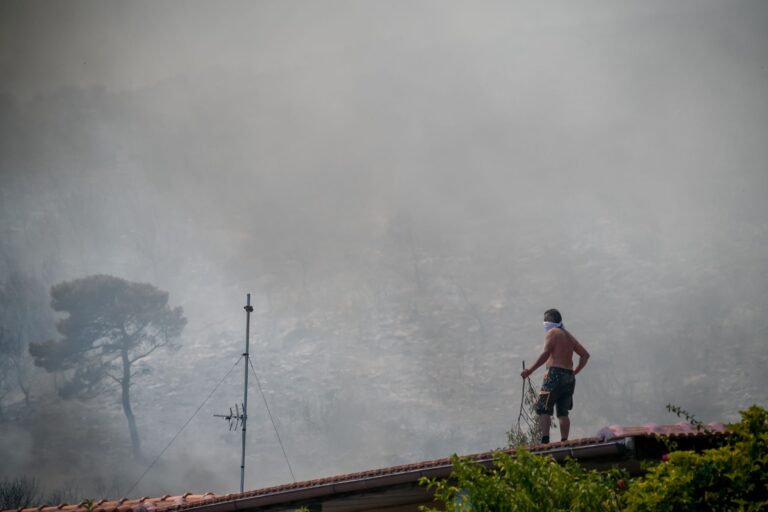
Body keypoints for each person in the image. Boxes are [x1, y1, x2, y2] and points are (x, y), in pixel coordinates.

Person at [520, 309, 590, 444]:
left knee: (543, 406)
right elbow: (585, 355)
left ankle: (545, 440)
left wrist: (530, 370)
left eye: (546, 320)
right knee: (563, 412)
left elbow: (546, 354)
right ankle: (564, 441)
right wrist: (574, 372)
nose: (544, 323)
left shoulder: (552, 333)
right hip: (569, 377)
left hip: (555, 373)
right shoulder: (569, 336)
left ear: (552, 321)